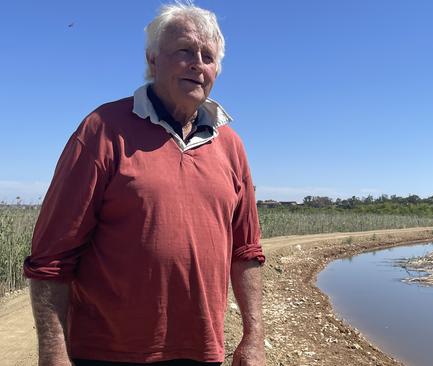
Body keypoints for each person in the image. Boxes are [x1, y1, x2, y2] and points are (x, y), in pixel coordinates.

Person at [23, 3, 266, 365]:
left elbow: (246, 250)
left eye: (208, 56)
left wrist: (253, 337)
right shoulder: (102, 130)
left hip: (202, 351)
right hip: (108, 353)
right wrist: (53, 353)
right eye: (184, 50)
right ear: (153, 61)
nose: (198, 64)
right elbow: (51, 257)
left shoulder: (231, 146)